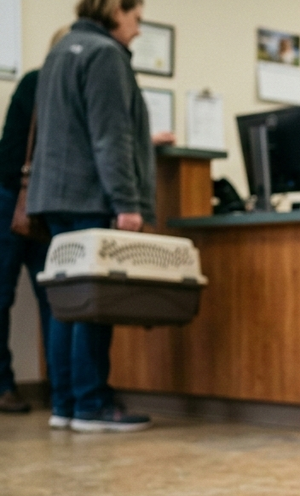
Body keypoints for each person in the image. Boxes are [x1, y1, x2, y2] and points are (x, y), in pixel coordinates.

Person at [26, 0, 157, 433]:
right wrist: (127, 202)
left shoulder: (61, 51)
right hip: (89, 199)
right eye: (136, 19)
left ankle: (64, 402)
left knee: (66, 303)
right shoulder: (104, 54)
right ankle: (91, 404)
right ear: (116, 10)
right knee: (94, 304)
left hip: (55, 198)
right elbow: (110, 136)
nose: (138, 30)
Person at [0, 28, 71, 414]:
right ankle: (4, 385)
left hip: (42, 203)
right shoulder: (36, 83)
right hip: (13, 198)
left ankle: (63, 393)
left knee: (55, 299)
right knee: (3, 297)